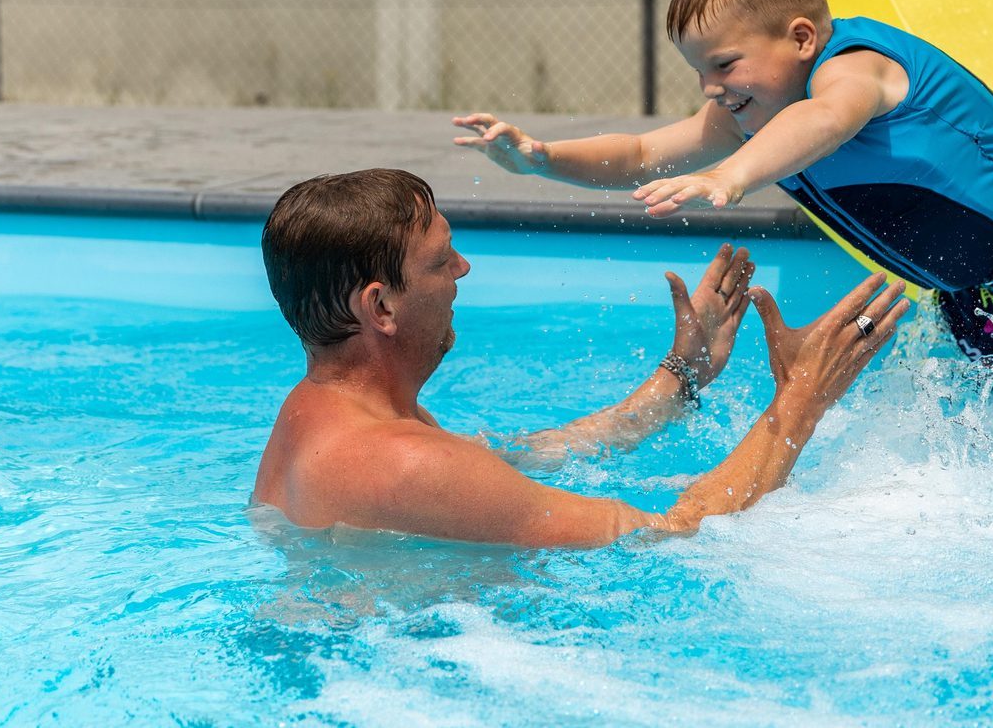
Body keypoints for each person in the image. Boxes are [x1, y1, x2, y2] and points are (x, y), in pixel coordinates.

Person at [453, 0, 993, 385]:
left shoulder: (855, 69)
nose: (711, 88)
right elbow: (641, 152)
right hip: (978, 290)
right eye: (699, 72)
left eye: (725, 64)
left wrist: (731, 174)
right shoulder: (752, 111)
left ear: (802, 38)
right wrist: (540, 157)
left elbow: (826, 121)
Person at [251, 168, 909, 548]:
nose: (463, 268)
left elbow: (517, 460)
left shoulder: (317, 417)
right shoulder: (407, 462)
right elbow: (677, 533)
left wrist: (680, 379)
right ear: (381, 307)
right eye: (440, 259)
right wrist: (802, 398)